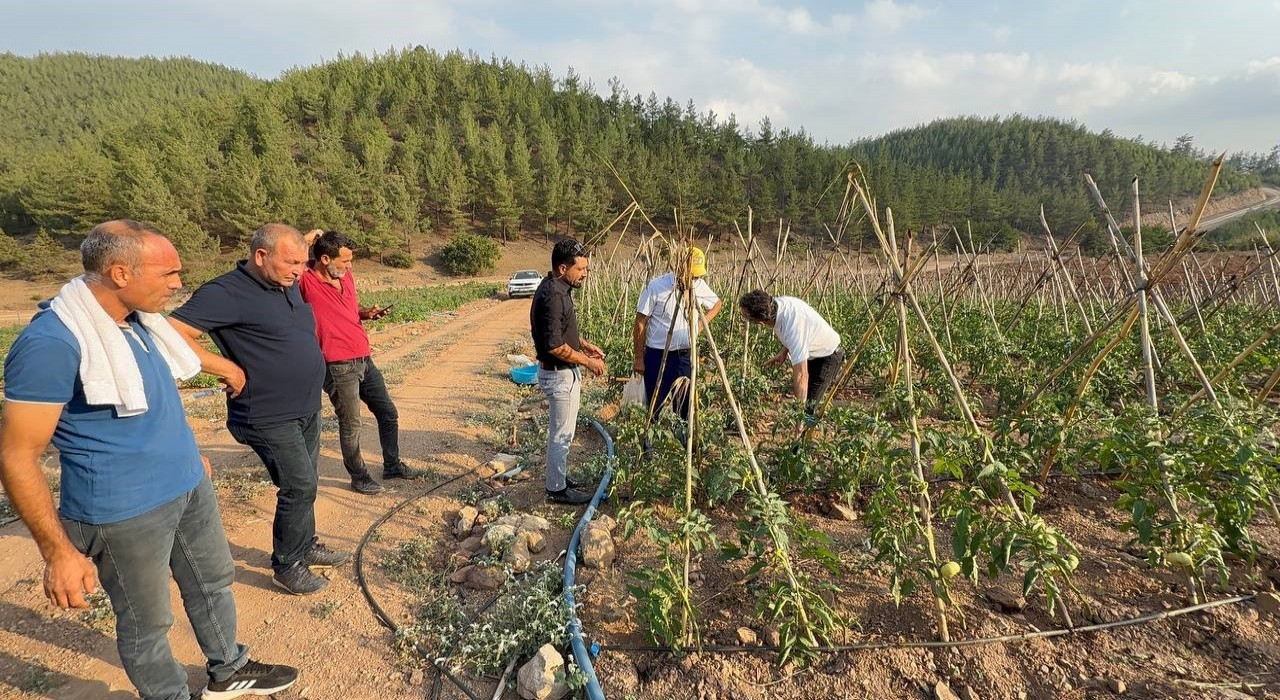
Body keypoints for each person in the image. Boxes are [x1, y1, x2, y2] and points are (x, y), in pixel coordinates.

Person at [0, 220, 298, 700]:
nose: (179, 284)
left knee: (213, 582)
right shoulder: (52, 343)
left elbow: (155, 401)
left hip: (185, 485)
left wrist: (185, 452)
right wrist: (58, 553)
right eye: (169, 273)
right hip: (123, 511)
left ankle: (230, 668)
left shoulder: (140, 324)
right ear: (120, 273)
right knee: (147, 621)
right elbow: (16, 455)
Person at [169, 224, 348, 596]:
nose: (300, 270)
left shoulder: (286, 282)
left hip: (304, 405)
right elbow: (171, 333)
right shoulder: (226, 292)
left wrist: (306, 241)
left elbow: (300, 248)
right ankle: (288, 564)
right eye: (292, 262)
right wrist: (225, 368)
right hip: (266, 412)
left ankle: (305, 542)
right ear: (260, 256)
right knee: (298, 484)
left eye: (303, 261)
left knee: (307, 479)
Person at [298, 230, 422, 495]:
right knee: (351, 422)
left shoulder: (346, 277)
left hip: (364, 358)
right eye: (344, 261)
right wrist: (304, 240)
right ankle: (359, 476)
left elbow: (348, 308)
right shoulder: (305, 280)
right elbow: (283, 258)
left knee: (387, 412)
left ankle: (392, 465)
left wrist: (365, 313)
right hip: (337, 365)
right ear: (324, 259)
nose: (349, 266)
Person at [529, 238, 606, 505]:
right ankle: (556, 489)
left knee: (564, 432)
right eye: (580, 269)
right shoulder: (553, 296)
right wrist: (587, 361)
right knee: (561, 435)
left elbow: (562, 332)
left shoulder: (556, 288)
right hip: (559, 375)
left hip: (563, 373)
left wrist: (585, 345)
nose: (584, 274)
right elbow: (553, 345)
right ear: (563, 268)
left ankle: (558, 478)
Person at [632, 246, 722, 419]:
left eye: (696, 276)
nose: (693, 279)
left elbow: (717, 304)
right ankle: (650, 442)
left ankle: (683, 443)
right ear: (678, 267)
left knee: (684, 404)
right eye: (691, 275)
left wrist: (699, 326)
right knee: (654, 403)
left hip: (685, 356)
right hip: (657, 356)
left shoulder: (699, 285)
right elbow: (640, 322)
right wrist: (638, 358)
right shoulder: (657, 286)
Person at [738, 290, 844, 414]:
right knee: (802, 401)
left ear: (761, 322)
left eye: (748, 318)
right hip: (813, 353)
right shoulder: (776, 306)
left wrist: (799, 416)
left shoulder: (793, 326)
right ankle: (802, 426)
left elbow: (801, 375)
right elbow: (797, 336)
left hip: (828, 357)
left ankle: (805, 429)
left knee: (808, 408)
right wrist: (784, 352)